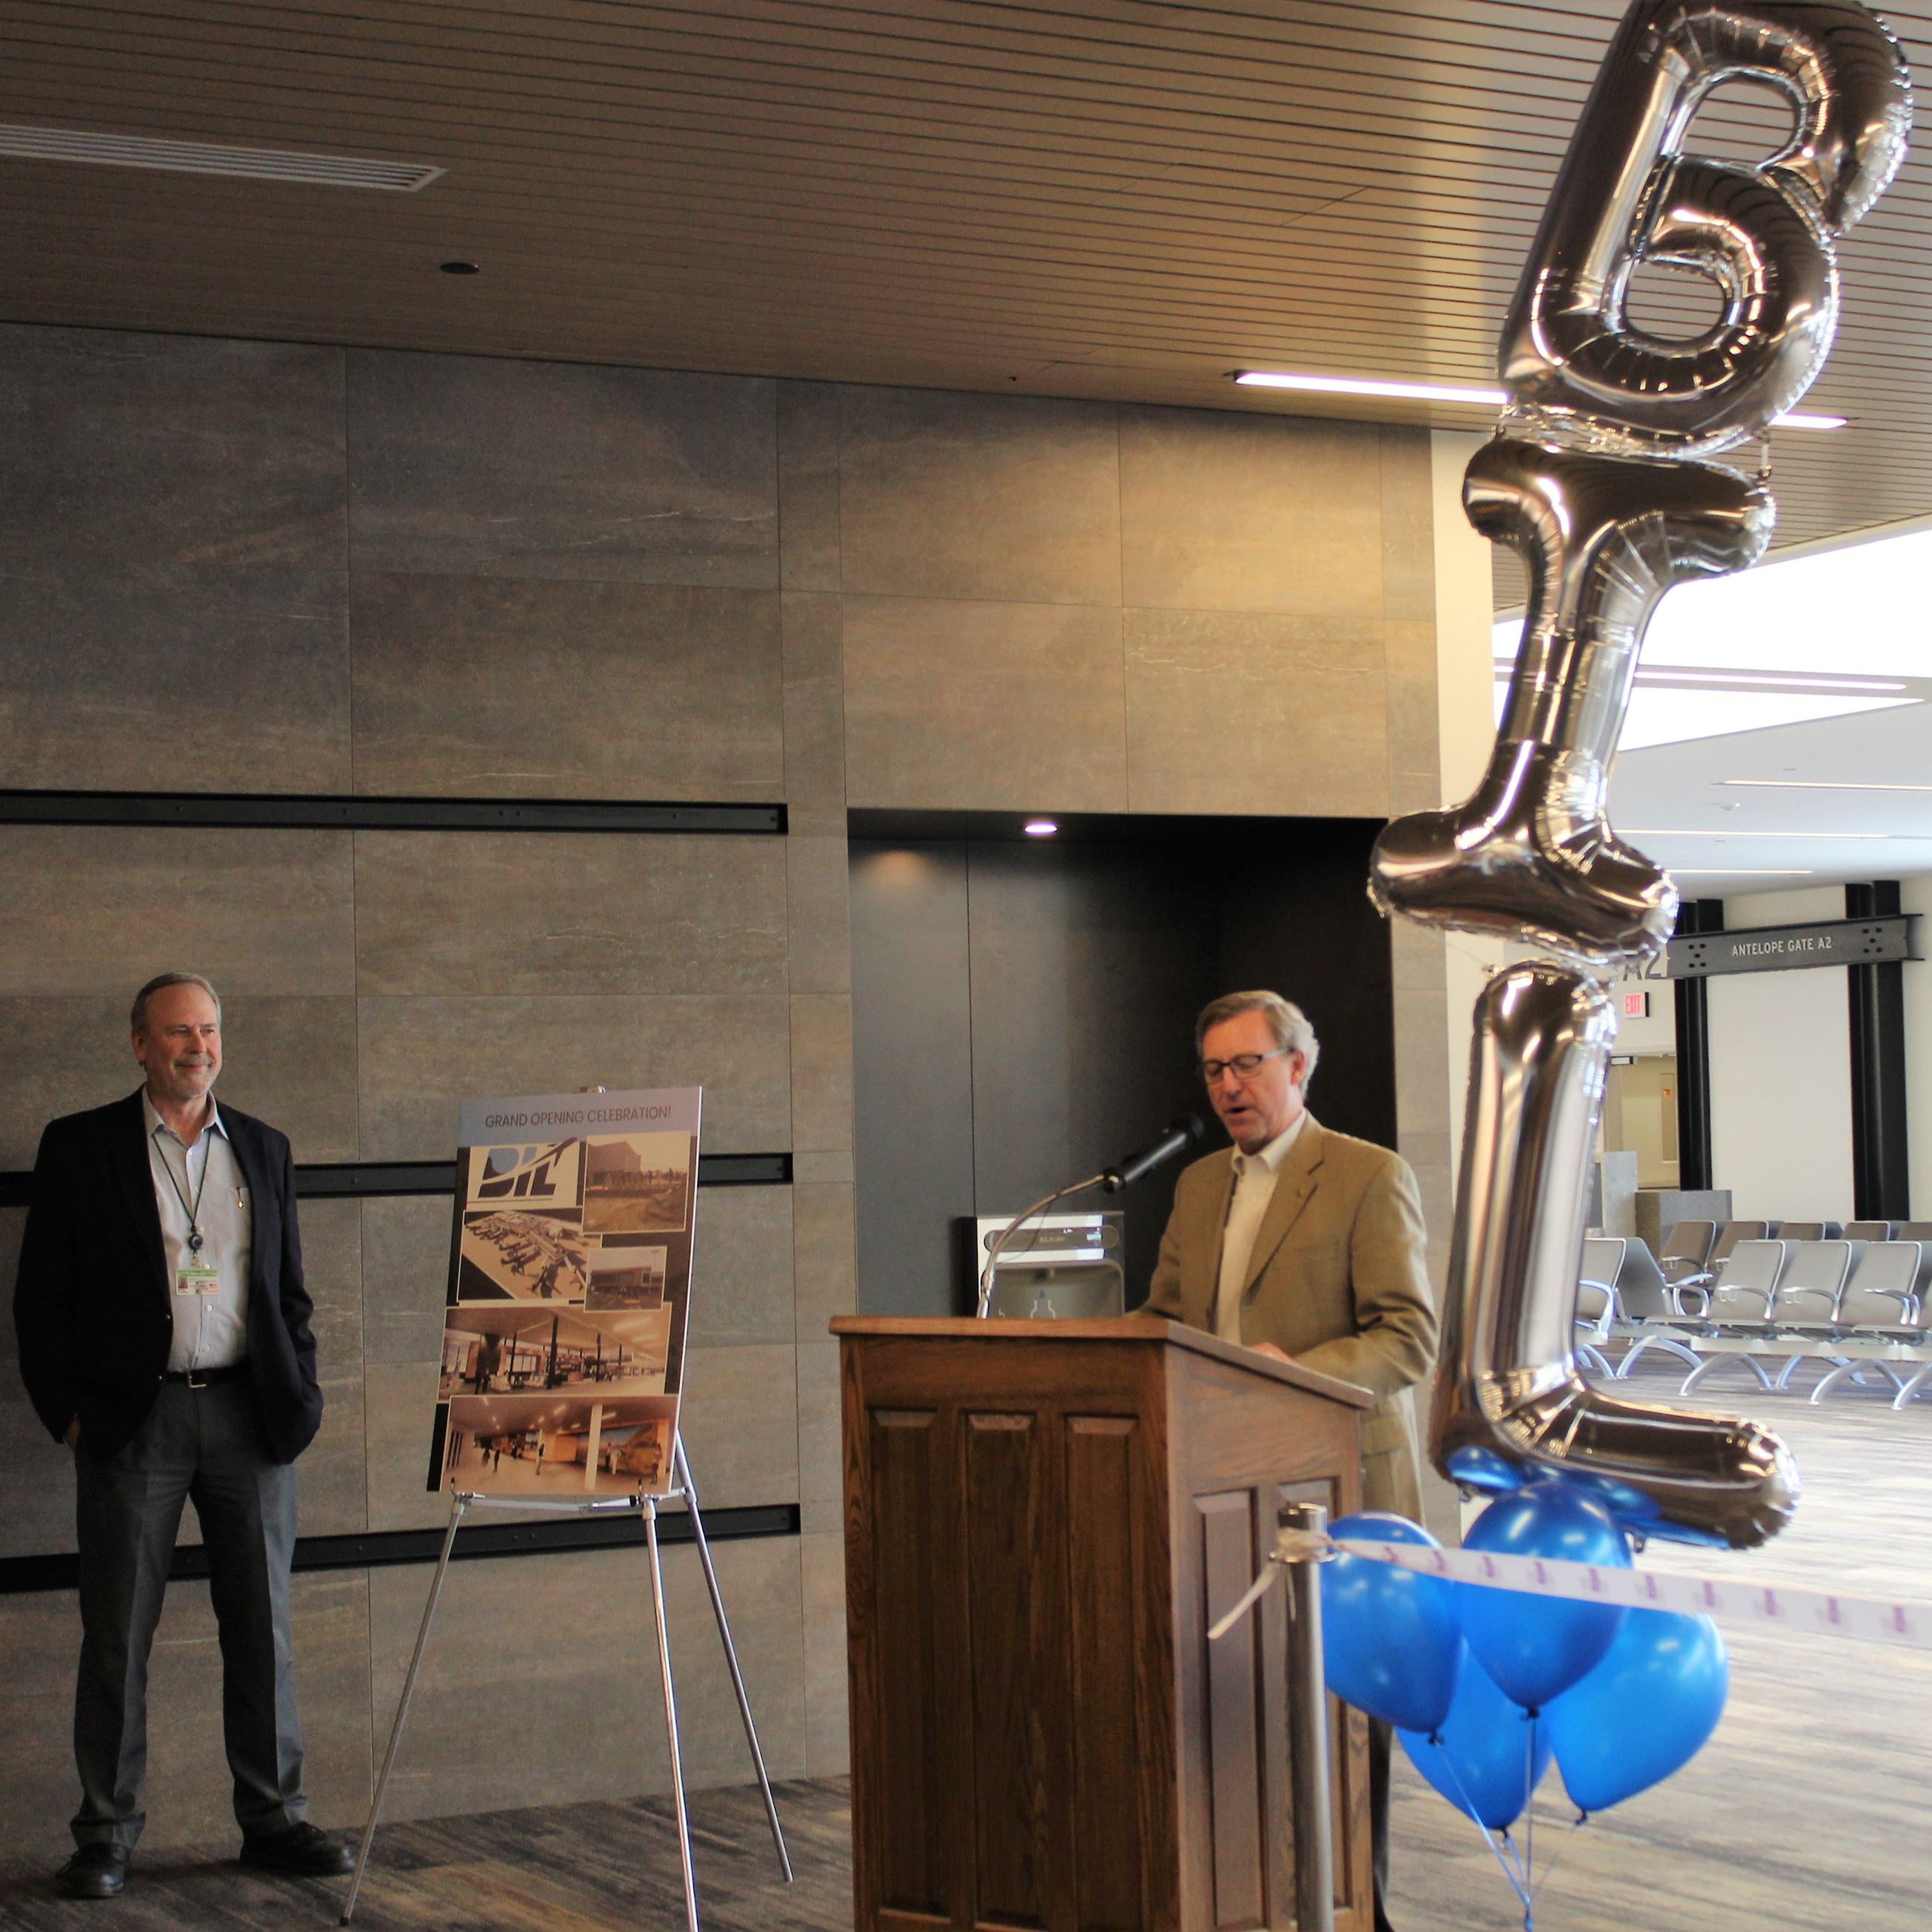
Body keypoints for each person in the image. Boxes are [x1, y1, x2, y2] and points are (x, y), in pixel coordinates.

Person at [12, 973, 354, 1899]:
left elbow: (289, 1290)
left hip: (251, 1415)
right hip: (135, 1421)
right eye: (175, 1032)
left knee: (264, 1628)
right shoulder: (82, 1146)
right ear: (139, 1044)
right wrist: (72, 1412)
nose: (194, 1046)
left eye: (206, 1030)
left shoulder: (265, 1147)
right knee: (117, 1631)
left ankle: (274, 1818)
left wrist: (302, 1394)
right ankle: (106, 1832)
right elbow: (40, 1297)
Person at [1143, 990, 1438, 1932]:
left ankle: (1361, 1905)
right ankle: (1254, 1903)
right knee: (1245, 1714)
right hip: (1216, 1488)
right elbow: (1164, 1319)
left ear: (1297, 1066)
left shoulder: (1363, 1174)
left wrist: (1293, 1373)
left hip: (1337, 1482)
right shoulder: (1195, 1185)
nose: (1229, 1086)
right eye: (1214, 1070)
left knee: (1347, 1715)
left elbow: (1407, 1336)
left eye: (1247, 1065)